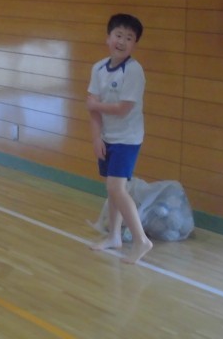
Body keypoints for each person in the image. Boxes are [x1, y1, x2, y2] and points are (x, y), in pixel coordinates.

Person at [86, 13, 152, 264]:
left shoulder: (133, 71)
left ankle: (141, 240)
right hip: (108, 137)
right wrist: (96, 138)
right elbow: (92, 109)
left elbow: (123, 108)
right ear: (108, 38)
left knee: (116, 188)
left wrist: (96, 105)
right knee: (111, 188)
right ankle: (114, 236)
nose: (122, 41)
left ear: (134, 44)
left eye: (129, 38)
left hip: (127, 138)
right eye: (118, 35)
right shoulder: (98, 68)